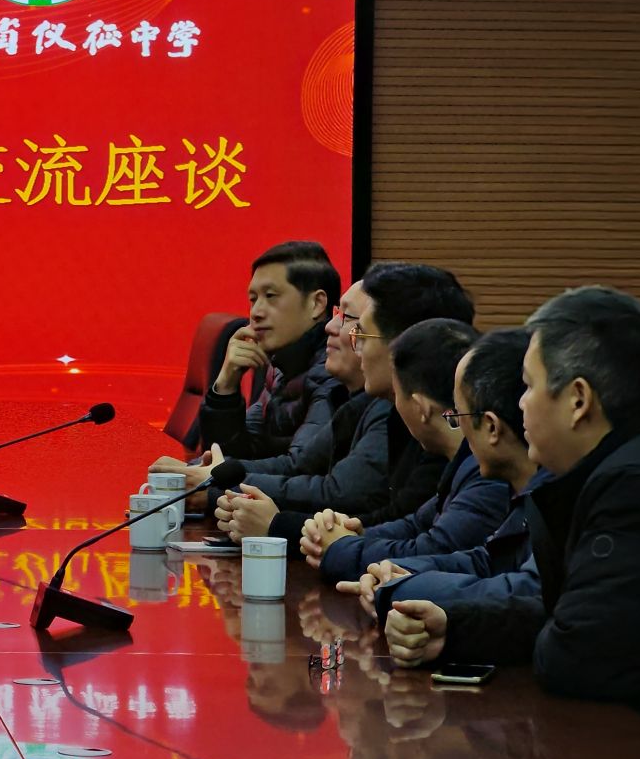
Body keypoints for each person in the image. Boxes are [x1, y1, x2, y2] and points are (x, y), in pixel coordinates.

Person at [386, 287, 640, 759]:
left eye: (529, 386)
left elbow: (574, 661)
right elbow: (578, 617)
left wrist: (514, 628)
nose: (521, 405)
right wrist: (456, 629)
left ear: (578, 400)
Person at [218, 262, 473, 542]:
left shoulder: (469, 457)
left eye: (359, 332)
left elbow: (419, 541)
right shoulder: (372, 405)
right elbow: (397, 523)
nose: (354, 345)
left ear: (404, 346)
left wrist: (277, 525)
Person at [339, 328, 545, 625]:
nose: (524, 406)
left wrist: (399, 584)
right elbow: (486, 560)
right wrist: (398, 571)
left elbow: (522, 589)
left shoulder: (499, 483)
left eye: (458, 416)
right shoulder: (512, 483)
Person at [310, 319, 510, 576]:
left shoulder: (489, 473)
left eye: (396, 395)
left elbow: (433, 550)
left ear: (420, 407)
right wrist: (352, 534)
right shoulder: (463, 462)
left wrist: (342, 547)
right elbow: (415, 524)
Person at [181, 241, 342, 473]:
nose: (256, 312)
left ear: (316, 304)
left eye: (270, 296)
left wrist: (204, 474)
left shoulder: (332, 371)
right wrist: (226, 386)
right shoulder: (280, 367)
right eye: (253, 299)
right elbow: (230, 453)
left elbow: (301, 470)